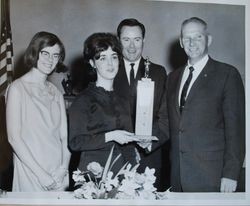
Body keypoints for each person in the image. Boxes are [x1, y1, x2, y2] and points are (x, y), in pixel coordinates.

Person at [166, 17, 245, 192]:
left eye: (198, 37)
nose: (192, 43)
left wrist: (231, 174)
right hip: (177, 177)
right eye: (187, 38)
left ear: (208, 39)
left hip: (212, 176)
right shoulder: (172, 77)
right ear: (180, 42)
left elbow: (236, 131)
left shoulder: (227, 75)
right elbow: (169, 124)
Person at [5, 31, 71, 192]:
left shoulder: (55, 92)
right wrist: (41, 175)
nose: (50, 60)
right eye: (45, 53)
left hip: (58, 172)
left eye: (55, 55)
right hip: (32, 171)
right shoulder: (17, 89)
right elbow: (14, 138)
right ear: (35, 52)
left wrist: (63, 169)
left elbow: (64, 137)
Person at [68, 33, 138, 175]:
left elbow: (128, 141)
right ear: (92, 63)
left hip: (124, 173)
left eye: (113, 57)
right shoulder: (83, 100)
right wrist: (110, 136)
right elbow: (75, 142)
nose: (110, 64)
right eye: (102, 58)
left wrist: (134, 169)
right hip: (95, 173)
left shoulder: (123, 99)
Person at [113, 18, 169, 191]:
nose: (131, 46)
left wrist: (148, 141)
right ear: (118, 41)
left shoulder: (158, 72)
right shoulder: (107, 69)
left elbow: (165, 115)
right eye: (126, 40)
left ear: (143, 40)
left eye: (137, 40)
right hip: (115, 154)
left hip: (148, 155)